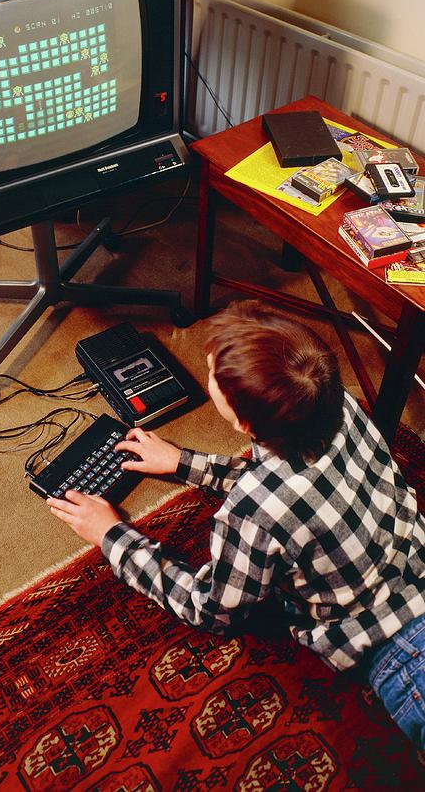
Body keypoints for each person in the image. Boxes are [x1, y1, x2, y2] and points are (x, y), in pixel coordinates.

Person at [48, 299, 425, 748]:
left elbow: (213, 609)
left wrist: (112, 536)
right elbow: (290, 478)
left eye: (211, 374)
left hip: (399, 654)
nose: (206, 373)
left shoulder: (254, 508)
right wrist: (184, 463)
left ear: (243, 422)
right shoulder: (337, 404)